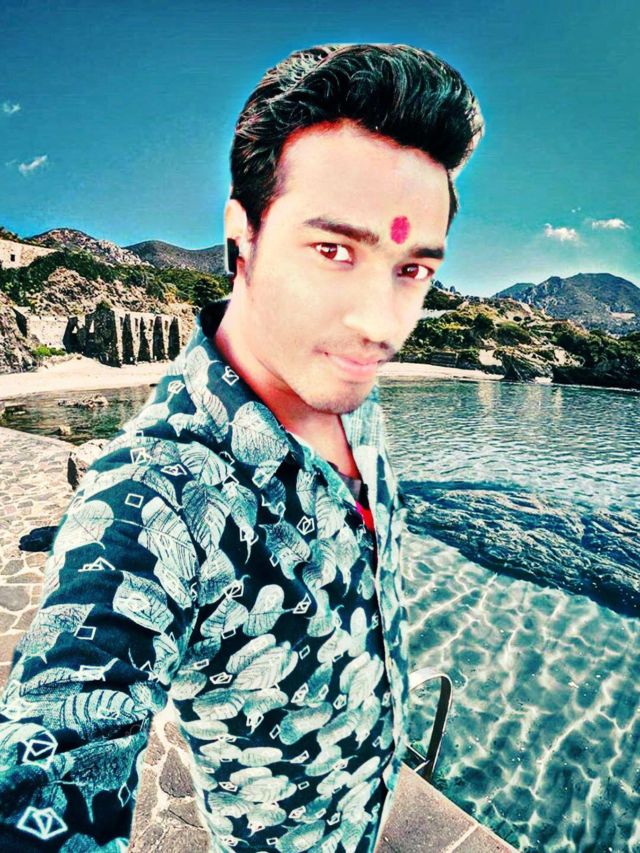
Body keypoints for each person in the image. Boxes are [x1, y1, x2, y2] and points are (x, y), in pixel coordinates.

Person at [0, 43, 482, 851]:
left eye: (410, 269)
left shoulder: (347, 393)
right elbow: (50, 755)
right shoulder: (157, 495)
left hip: (367, 808)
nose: (377, 321)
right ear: (242, 238)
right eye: (334, 250)